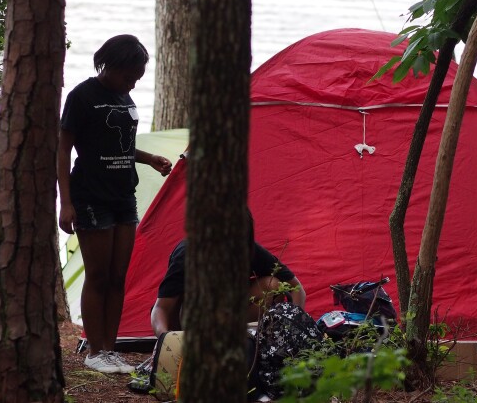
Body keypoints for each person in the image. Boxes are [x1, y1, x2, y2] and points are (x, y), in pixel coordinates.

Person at [58, 34, 172, 374]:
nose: (132, 83)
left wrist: (148, 157)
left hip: (124, 195)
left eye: (137, 78)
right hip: (91, 194)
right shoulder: (82, 96)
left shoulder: (123, 96)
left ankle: (111, 348)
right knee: (98, 274)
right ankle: (95, 350)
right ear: (109, 64)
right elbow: (64, 149)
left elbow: (119, 144)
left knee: (119, 276)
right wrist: (65, 202)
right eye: (129, 76)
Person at [150, 231, 306, 337]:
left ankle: (249, 339)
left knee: (273, 286)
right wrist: (166, 339)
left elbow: (297, 289)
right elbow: (161, 308)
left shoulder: (249, 249)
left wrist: (292, 329)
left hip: (233, 312)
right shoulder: (186, 255)